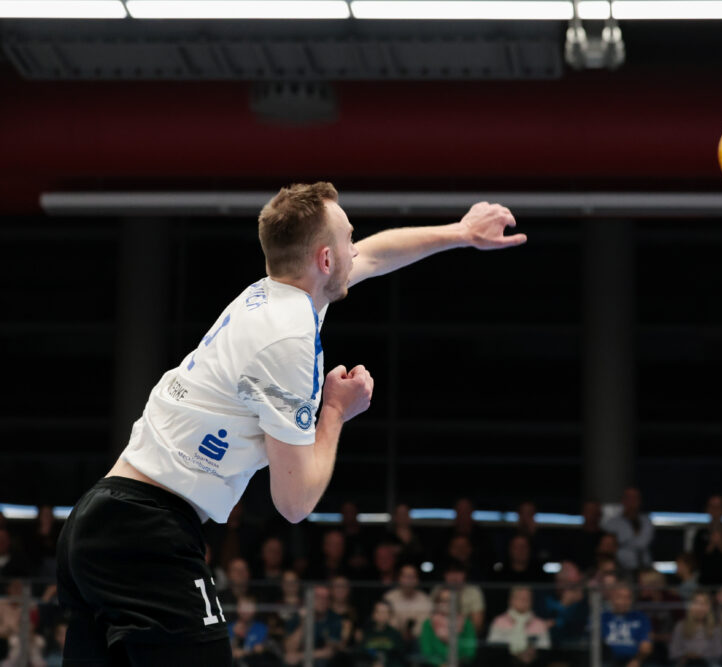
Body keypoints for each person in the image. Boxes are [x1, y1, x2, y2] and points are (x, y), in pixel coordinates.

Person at [54, 185, 524, 666]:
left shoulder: (275, 295)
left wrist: (462, 232)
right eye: (348, 238)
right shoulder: (286, 340)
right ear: (325, 259)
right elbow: (295, 502)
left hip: (102, 519)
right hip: (145, 534)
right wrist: (335, 411)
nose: (355, 248)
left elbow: (378, 255)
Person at [486, 586, 552, 666]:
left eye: (527, 598)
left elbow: (545, 650)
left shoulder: (540, 624)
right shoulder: (499, 622)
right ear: (511, 600)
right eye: (520, 597)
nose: (523, 600)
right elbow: (493, 648)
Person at [419, 587, 479, 666]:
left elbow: (470, 653)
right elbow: (427, 652)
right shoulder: (428, 624)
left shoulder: (467, 624)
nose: (447, 604)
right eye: (443, 600)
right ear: (437, 603)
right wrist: (442, 665)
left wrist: (457, 663)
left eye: (450, 601)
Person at [601, 582, 653, 667]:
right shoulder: (602, 618)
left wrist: (637, 661)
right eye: (619, 597)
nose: (623, 601)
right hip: (607, 661)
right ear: (611, 598)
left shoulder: (640, 617)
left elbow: (646, 646)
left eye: (627, 598)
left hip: (634, 661)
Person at [603, 488, 655, 573]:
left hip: (645, 567)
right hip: (621, 568)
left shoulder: (647, 521)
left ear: (640, 501)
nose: (632, 501)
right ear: (623, 500)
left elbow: (644, 542)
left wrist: (623, 542)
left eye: (635, 498)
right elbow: (609, 546)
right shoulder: (613, 523)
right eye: (629, 498)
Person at [669, 591, 722, 667]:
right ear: (690, 606)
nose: (699, 608)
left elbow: (719, 653)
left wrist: (701, 656)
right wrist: (687, 655)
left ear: (708, 607)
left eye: (703, 604)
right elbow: (673, 652)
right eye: (696, 603)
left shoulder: (716, 628)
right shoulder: (680, 626)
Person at [431, 561, 486, 633]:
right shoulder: (437, 590)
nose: (454, 577)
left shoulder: (473, 591)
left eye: (458, 572)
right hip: (438, 631)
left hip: (465, 633)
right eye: (451, 573)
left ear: (465, 575)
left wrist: (462, 631)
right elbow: (430, 617)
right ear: (445, 575)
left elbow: (477, 625)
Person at [383, 564, 433, 642]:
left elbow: (425, 625)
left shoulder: (425, 600)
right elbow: (384, 622)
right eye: (405, 576)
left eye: (412, 577)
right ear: (399, 579)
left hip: (417, 641)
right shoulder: (389, 598)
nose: (408, 580)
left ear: (417, 580)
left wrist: (411, 634)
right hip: (392, 639)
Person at [354, 601, 406, 667]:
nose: (382, 615)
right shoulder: (365, 633)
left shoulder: (395, 634)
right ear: (373, 614)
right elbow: (360, 655)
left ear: (390, 615)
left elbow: (400, 657)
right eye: (379, 612)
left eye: (385, 612)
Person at [227, 596, 272, 667]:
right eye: (243, 607)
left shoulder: (261, 628)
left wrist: (244, 652)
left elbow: (259, 649)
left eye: (249, 607)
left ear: (255, 609)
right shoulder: (230, 627)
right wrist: (236, 636)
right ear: (237, 609)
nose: (245, 611)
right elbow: (227, 651)